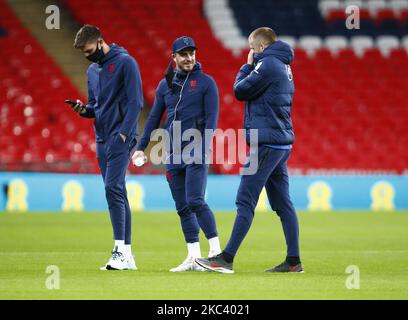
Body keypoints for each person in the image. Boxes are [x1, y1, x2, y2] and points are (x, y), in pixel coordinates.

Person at [196, 27, 302, 274]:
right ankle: (294, 261)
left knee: (245, 200)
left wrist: (246, 67)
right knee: (283, 204)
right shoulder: (285, 66)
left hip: (266, 144)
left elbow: (240, 91)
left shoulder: (267, 65)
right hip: (280, 142)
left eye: (252, 48)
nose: (250, 52)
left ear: (261, 47)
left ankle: (226, 259)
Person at [133, 36, 221, 272]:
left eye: (192, 53)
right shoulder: (165, 86)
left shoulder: (206, 83)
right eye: (183, 54)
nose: (189, 57)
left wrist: (204, 147)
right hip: (173, 153)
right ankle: (193, 257)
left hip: (196, 150)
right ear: (174, 58)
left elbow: (212, 120)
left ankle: (215, 254)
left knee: (195, 201)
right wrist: (141, 147)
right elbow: (154, 118)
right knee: (182, 206)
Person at [67, 25, 143, 270]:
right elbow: (94, 106)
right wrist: (83, 110)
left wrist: (123, 134)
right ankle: (127, 255)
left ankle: (119, 251)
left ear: (100, 42)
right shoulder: (92, 70)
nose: (88, 56)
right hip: (101, 137)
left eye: (89, 50)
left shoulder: (126, 63)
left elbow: (136, 102)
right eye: (84, 53)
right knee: (116, 191)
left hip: (121, 136)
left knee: (112, 188)